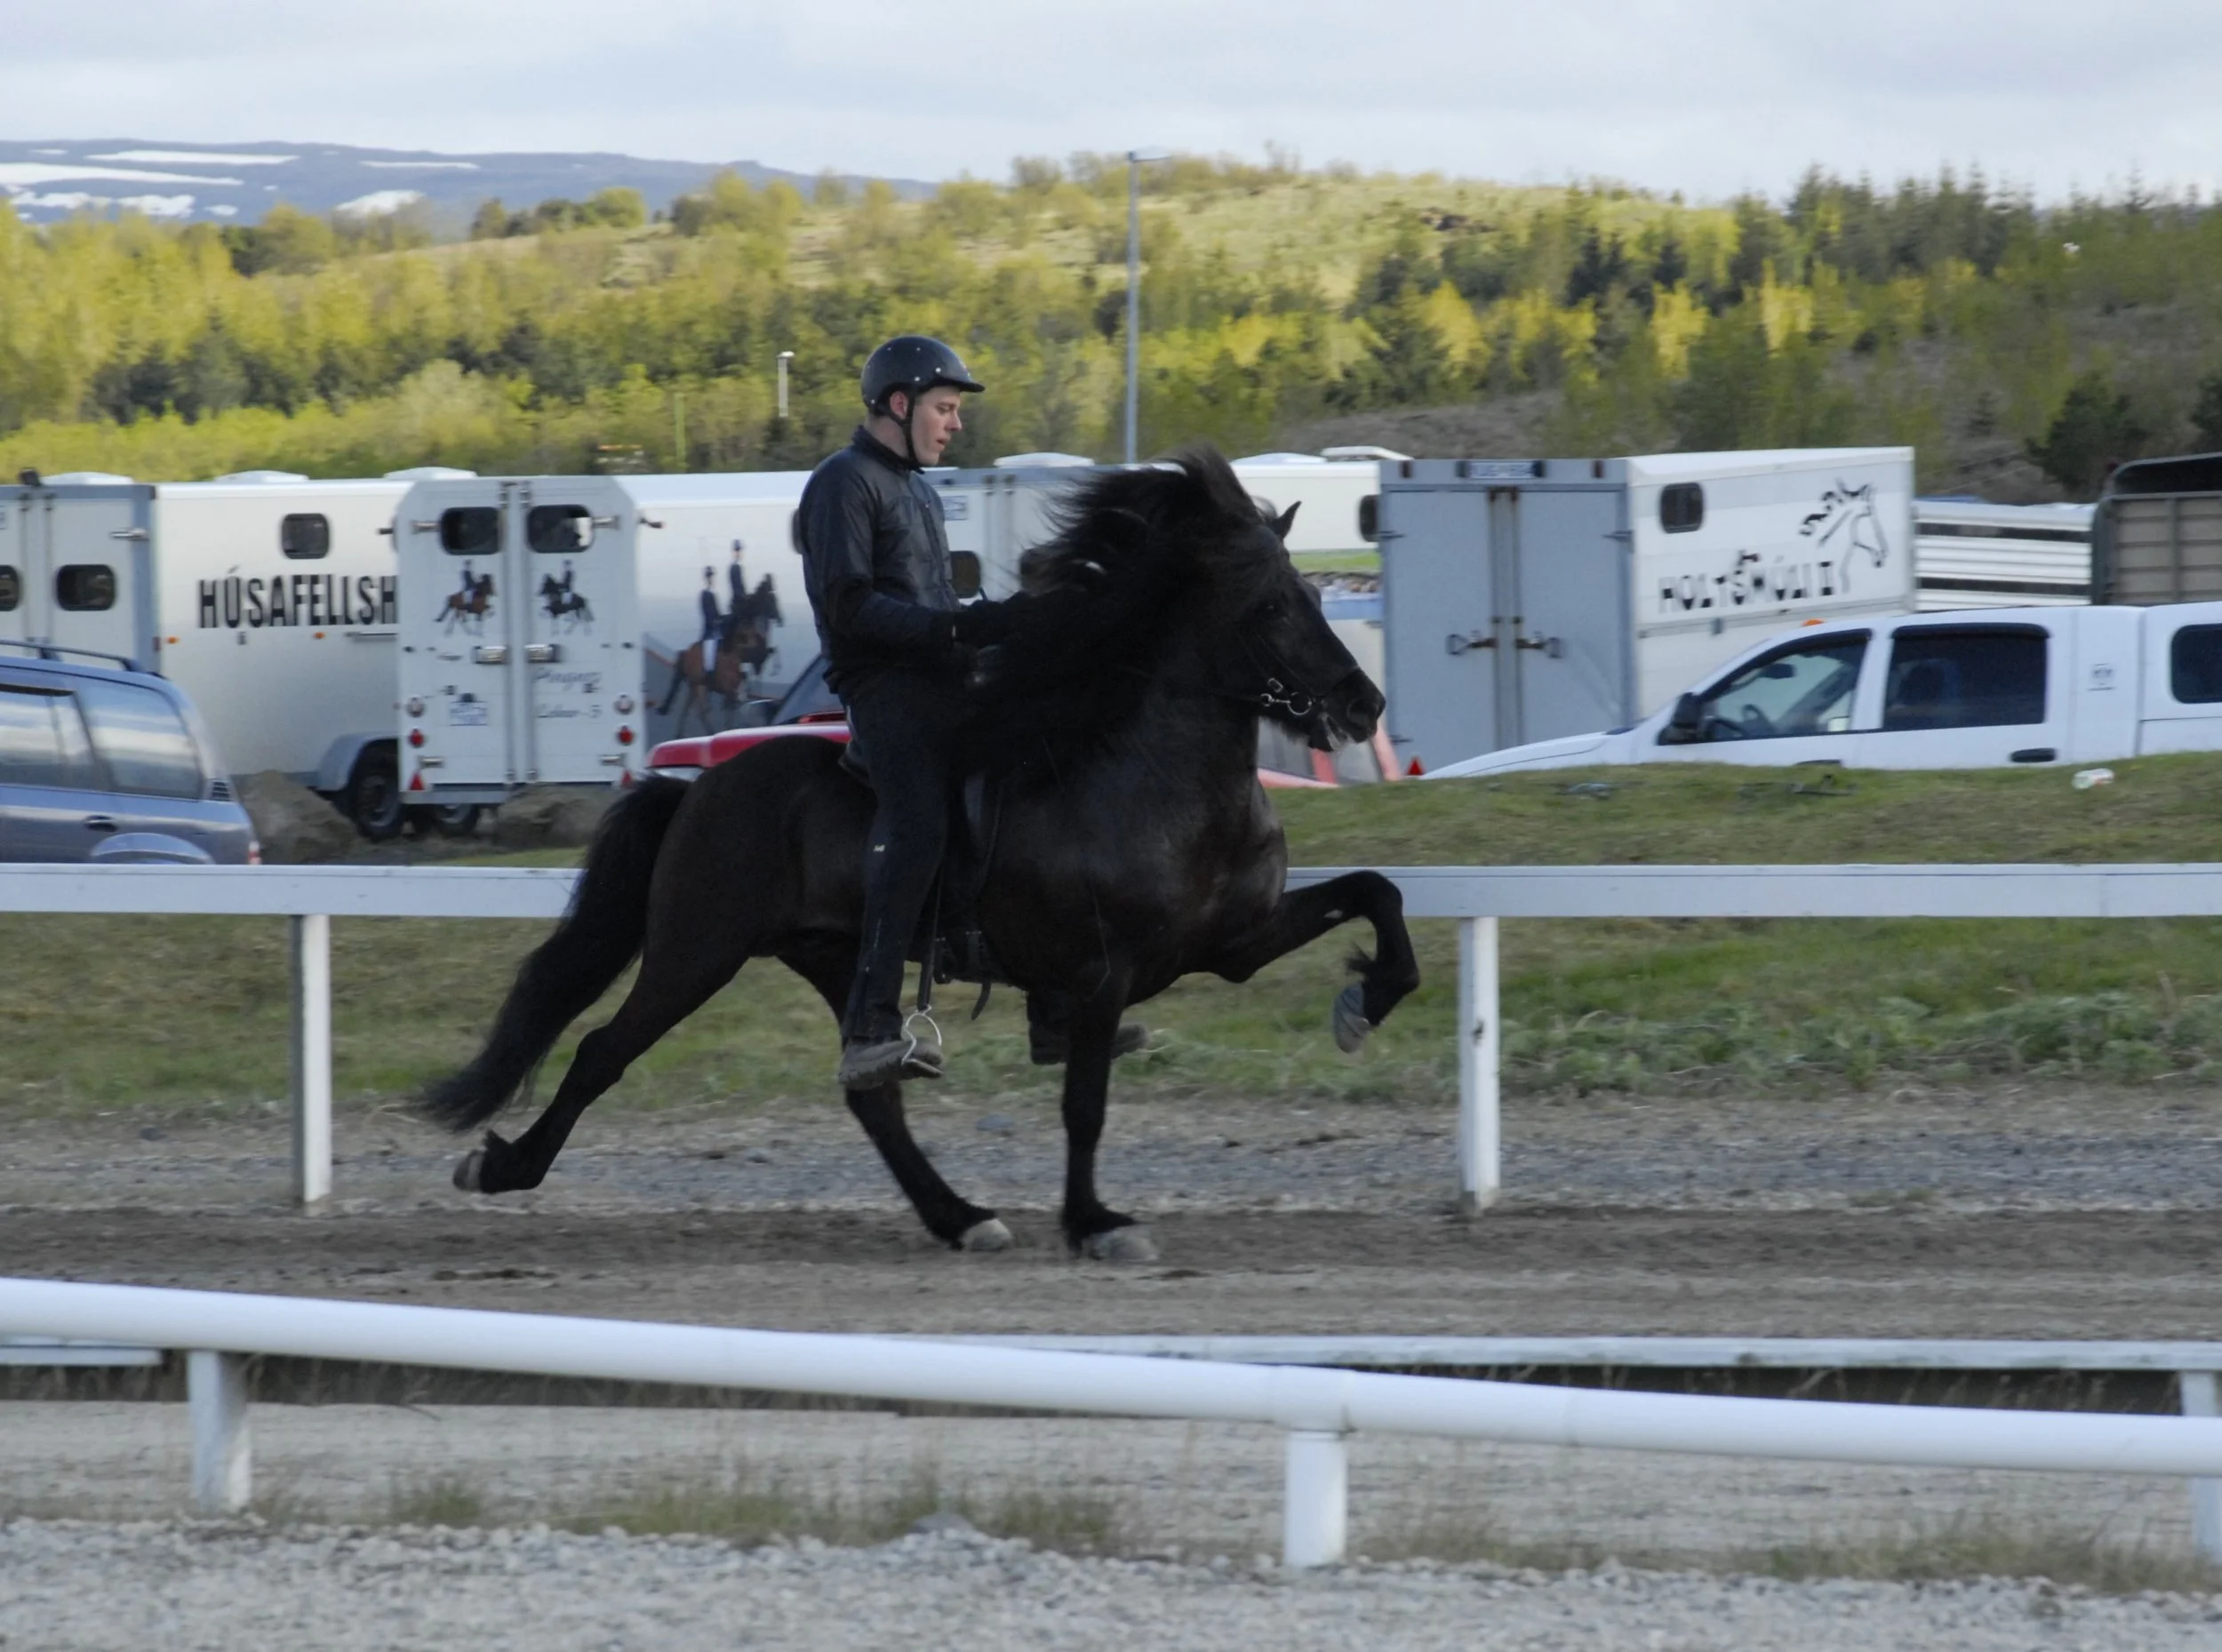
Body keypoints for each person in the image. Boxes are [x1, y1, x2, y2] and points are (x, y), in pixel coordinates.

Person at [799, 336, 1142, 1089]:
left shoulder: (917, 489)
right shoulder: (841, 484)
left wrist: (996, 625)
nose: (955, 424)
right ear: (900, 404)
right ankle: (868, 1027)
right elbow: (851, 606)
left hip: (940, 675)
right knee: (919, 819)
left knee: (1042, 775)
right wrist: (960, 628)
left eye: (955, 411)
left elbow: (931, 602)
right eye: (945, 408)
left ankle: (1055, 1014)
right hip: (883, 690)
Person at [698, 566, 721, 673]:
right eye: (709, 577)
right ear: (706, 579)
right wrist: (714, 623)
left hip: (717, 629)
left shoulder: (713, 595)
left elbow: (717, 613)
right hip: (709, 631)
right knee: (710, 657)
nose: (711, 579)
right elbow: (707, 614)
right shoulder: (704, 595)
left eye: (712, 577)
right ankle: (709, 674)